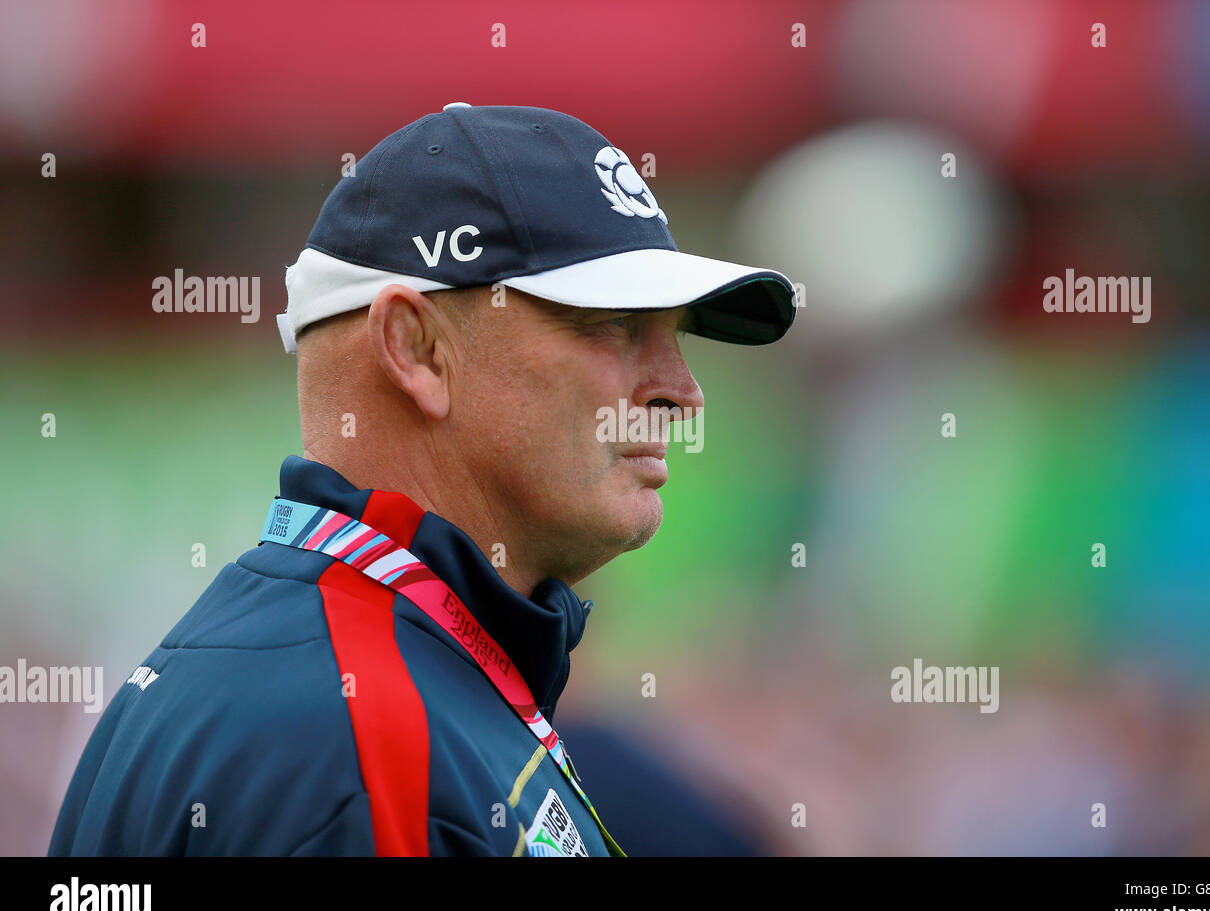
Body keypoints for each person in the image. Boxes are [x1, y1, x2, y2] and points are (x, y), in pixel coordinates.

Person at [48, 103, 795, 856]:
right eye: (614, 323)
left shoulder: (321, 675)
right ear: (416, 349)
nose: (683, 391)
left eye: (674, 334)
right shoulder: (361, 739)